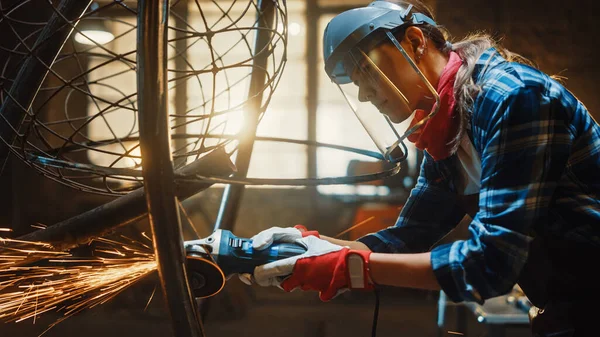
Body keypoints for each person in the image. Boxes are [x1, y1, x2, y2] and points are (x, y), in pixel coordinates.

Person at [241, 1, 600, 336]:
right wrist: (313, 246)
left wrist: (351, 268)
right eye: (355, 81)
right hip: (569, 304)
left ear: (414, 42)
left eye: (367, 70)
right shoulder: (447, 130)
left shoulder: (512, 98)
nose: (365, 95)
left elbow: (490, 264)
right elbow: (404, 239)